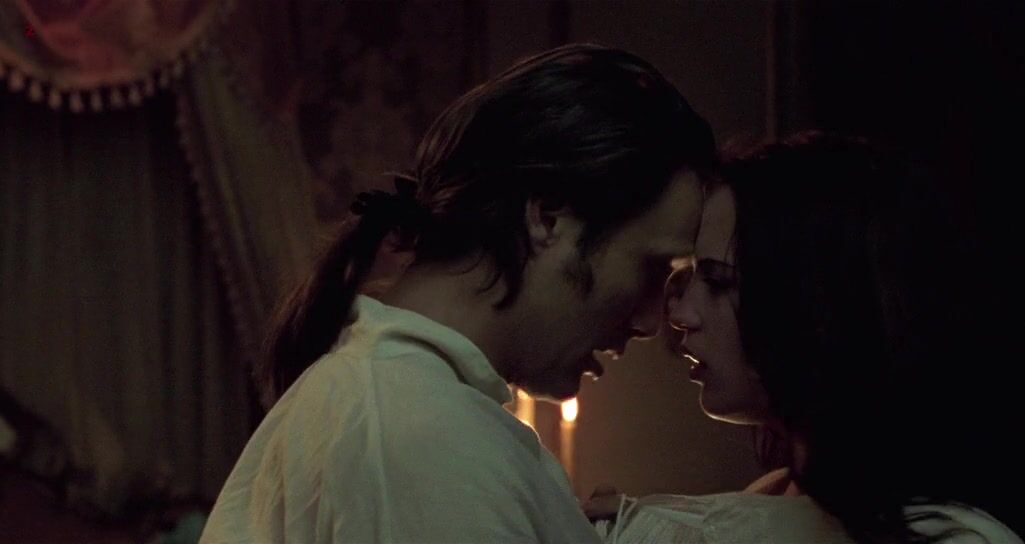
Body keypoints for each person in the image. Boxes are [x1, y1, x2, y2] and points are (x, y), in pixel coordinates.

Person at [199, 43, 716, 543]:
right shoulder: (422, 435)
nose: (652, 321)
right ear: (547, 218)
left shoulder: (396, 403)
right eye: (651, 267)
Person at [591, 132, 1021, 543]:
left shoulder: (955, 539)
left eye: (720, 282)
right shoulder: (770, 500)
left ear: (816, 302)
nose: (680, 315)